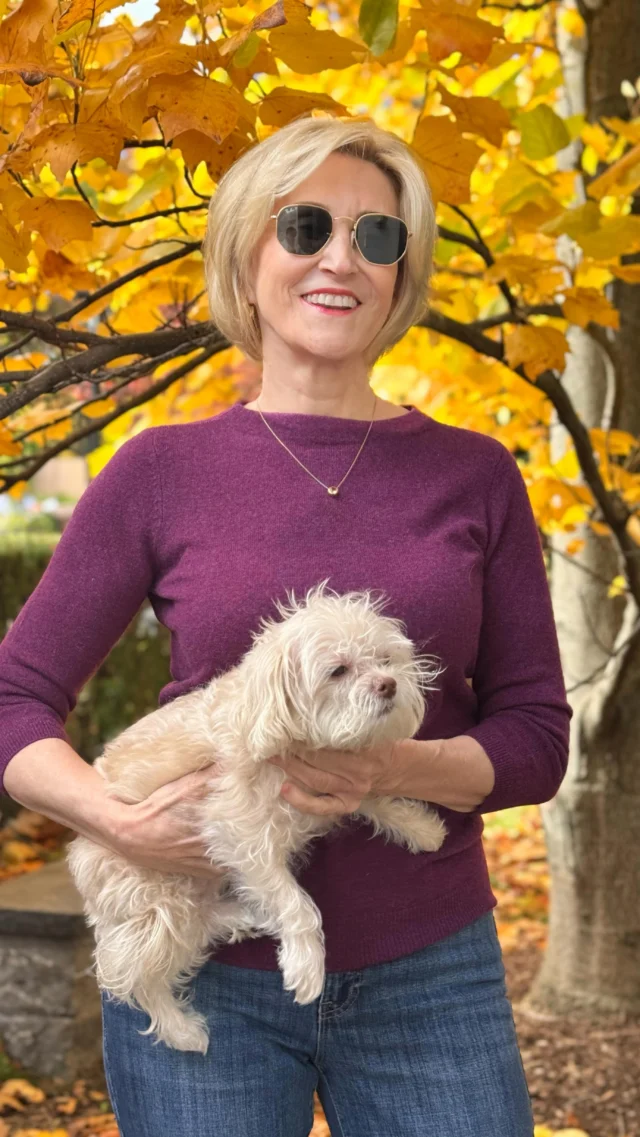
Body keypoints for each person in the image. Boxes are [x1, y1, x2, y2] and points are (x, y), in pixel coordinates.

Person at [0, 114, 572, 1137]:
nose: (340, 259)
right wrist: (117, 820)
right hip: (207, 970)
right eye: (306, 227)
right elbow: (14, 698)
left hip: (431, 971)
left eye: (376, 236)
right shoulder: (158, 471)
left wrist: (389, 768)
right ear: (245, 254)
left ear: (401, 274)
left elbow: (536, 737)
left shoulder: (477, 474)